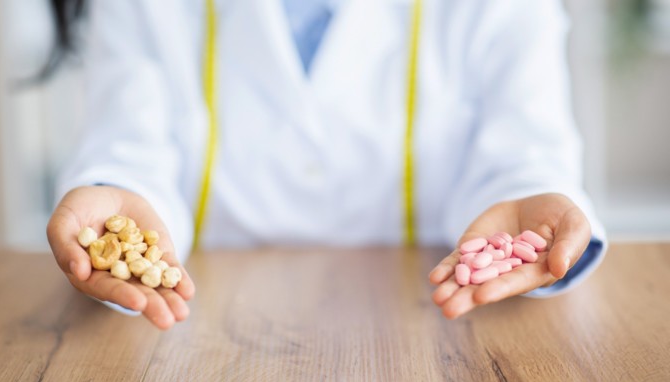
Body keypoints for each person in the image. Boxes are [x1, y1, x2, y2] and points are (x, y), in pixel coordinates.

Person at [46, 0, 607, 330]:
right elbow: (129, 142)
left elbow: (524, 148)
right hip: (206, 325)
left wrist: (530, 201)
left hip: (428, 328)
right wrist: (115, 190)